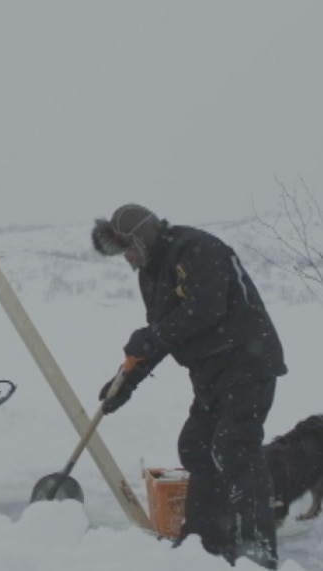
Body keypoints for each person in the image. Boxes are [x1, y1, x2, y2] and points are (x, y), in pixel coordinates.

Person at [91, 204, 286, 569]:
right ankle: (203, 542)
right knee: (195, 446)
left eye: (129, 249)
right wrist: (126, 383)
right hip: (212, 376)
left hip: (247, 364)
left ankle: (256, 550)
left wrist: (151, 337)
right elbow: (161, 335)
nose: (128, 259)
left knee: (235, 449)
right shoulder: (150, 274)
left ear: (143, 237)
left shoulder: (197, 249)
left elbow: (204, 309)